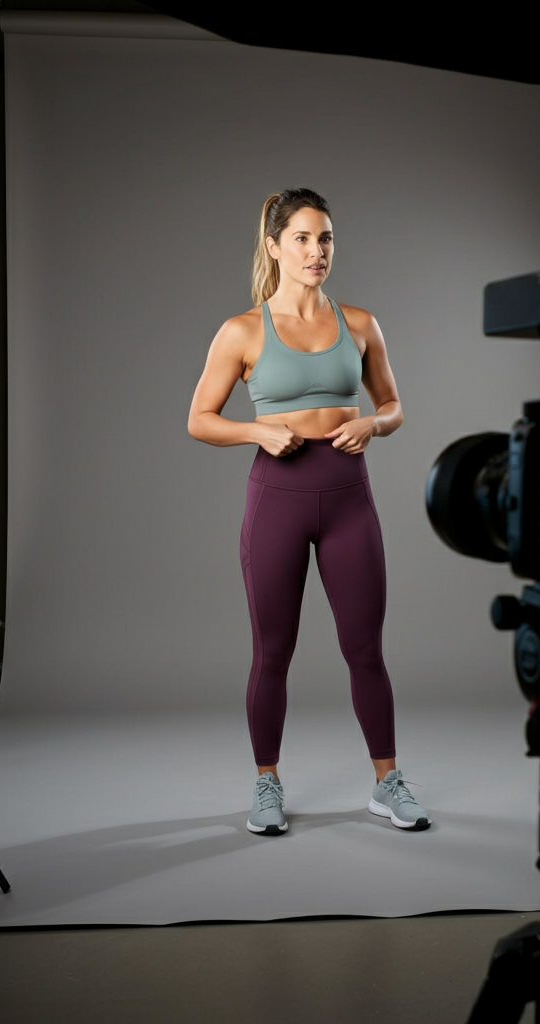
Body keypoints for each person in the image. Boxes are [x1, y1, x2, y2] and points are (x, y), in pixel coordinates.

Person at [187, 188, 430, 836]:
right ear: (273, 245)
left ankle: (388, 783)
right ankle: (266, 785)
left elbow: (395, 407)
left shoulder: (360, 323)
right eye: (301, 238)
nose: (316, 251)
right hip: (278, 497)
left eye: (325, 239)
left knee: (366, 650)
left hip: (350, 496)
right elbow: (199, 420)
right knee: (273, 653)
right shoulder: (242, 330)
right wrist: (257, 432)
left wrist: (375, 427)